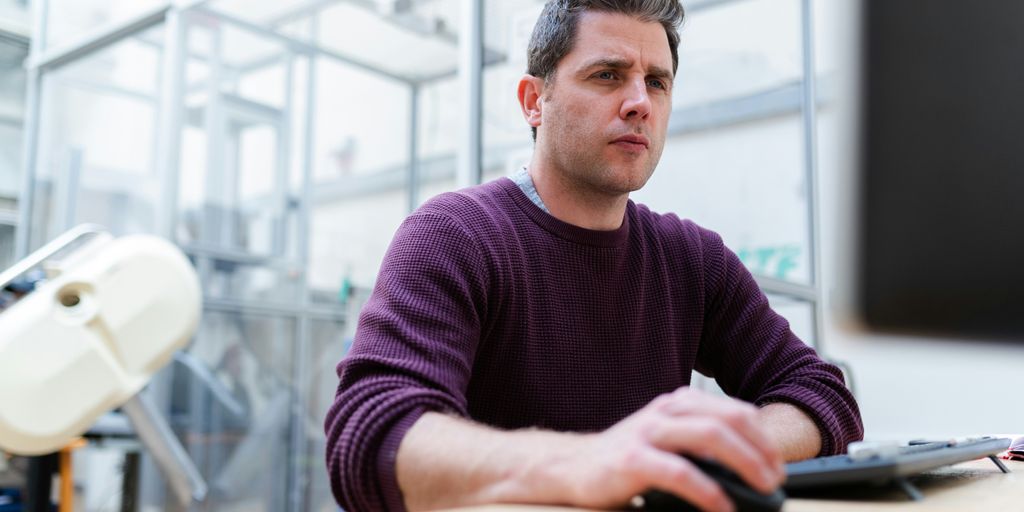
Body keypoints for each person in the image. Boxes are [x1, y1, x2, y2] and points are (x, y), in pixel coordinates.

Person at [324, 1, 863, 511]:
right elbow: (370, 436)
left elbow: (821, 393)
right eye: (607, 75)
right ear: (535, 101)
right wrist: (590, 461)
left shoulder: (692, 259)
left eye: (657, 82)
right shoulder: (455, 236)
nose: (639, 103)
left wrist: (714, 448)